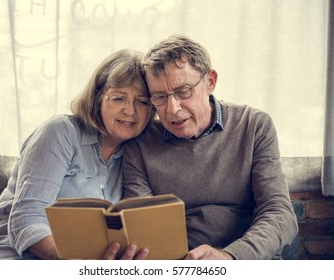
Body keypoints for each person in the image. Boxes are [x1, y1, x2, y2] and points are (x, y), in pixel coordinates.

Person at [122, 34, 299, 260]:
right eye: (159, 97)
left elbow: (280, 214)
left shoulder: (254, 125)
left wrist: (230, 257)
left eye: (183, 91)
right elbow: (144, 226)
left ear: (210, 82)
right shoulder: (140, 144)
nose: (172, 109)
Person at [0, 49, 154, 260]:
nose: (130, 111)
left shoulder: (137, 155)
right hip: (8, 254)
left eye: (142, 102)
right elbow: (27, 219)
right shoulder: (60, 131)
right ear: (97, 98)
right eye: (119, 98)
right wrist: (78, 265)